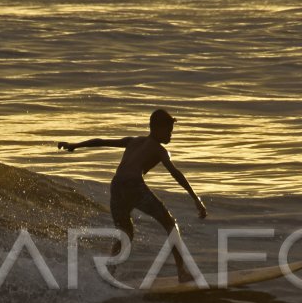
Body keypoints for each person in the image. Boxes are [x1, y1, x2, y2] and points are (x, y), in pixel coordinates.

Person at [57, 108, 206, 282]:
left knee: (125, 234)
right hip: (133, 186)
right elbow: (176, 173)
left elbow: (101, 141)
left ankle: (108, 274)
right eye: (169, 130)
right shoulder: (160, 150)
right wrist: (196, 199)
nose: (171, 135)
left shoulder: (133, 141)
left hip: (116, 186)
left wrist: (75, 145)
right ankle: (182, 272)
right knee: (170, 224)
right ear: (157, 128)